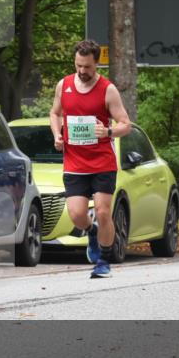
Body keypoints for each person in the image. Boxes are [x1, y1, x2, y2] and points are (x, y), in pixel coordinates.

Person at [49, 39, 132, 278]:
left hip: (102, 161)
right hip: (74, 162)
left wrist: (108, 132)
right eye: (78, 66)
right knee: (76, 214)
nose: (82, 71)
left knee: (104, 212)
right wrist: (57, 134)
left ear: (97, 64)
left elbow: (125, 124)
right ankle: (92, 231)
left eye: (87, 67)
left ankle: (104, 261)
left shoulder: (108, 90)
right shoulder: (63, 85)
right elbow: (55, 113)